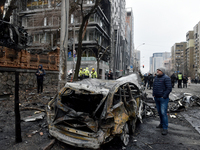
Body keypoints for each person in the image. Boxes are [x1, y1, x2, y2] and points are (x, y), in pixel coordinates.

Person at [153, 67, 172, 135]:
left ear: (162, 71)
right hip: (157, 97)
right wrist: (154, 94)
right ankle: (161, 124)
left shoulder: (166, 78)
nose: (157, 71)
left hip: (163, 99)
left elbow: (169, 88)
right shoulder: (156, 77)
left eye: (159, 70)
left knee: (163, 113)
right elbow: (154, 86)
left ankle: (165, 128)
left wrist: (164, 96)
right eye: (157, 70)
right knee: (160, 112)